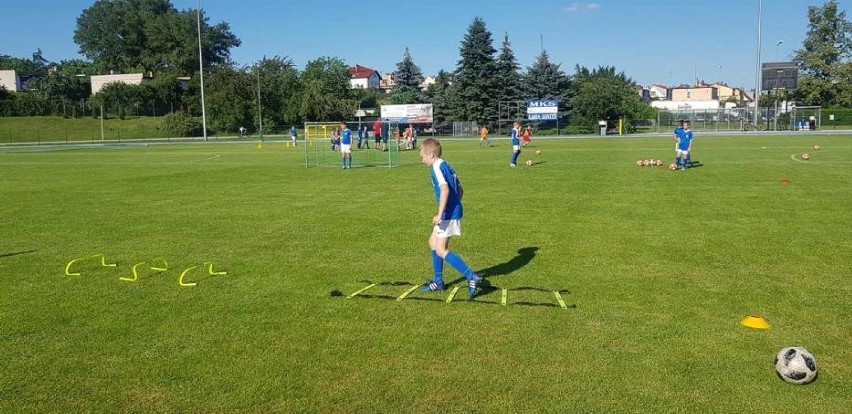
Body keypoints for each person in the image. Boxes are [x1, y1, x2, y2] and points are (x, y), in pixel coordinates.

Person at [418, 138, 482, 298]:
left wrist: (441, 214)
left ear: (431, 155)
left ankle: (471, 276)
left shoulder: (437, 168)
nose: (421, 160)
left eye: (422, 156)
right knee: (432, 242)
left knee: (440, 249)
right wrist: (455, 205)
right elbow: (460, 190)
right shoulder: (446, 165)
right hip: (451, 211)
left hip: (447, 214)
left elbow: (445, 190)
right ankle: (438, 281)